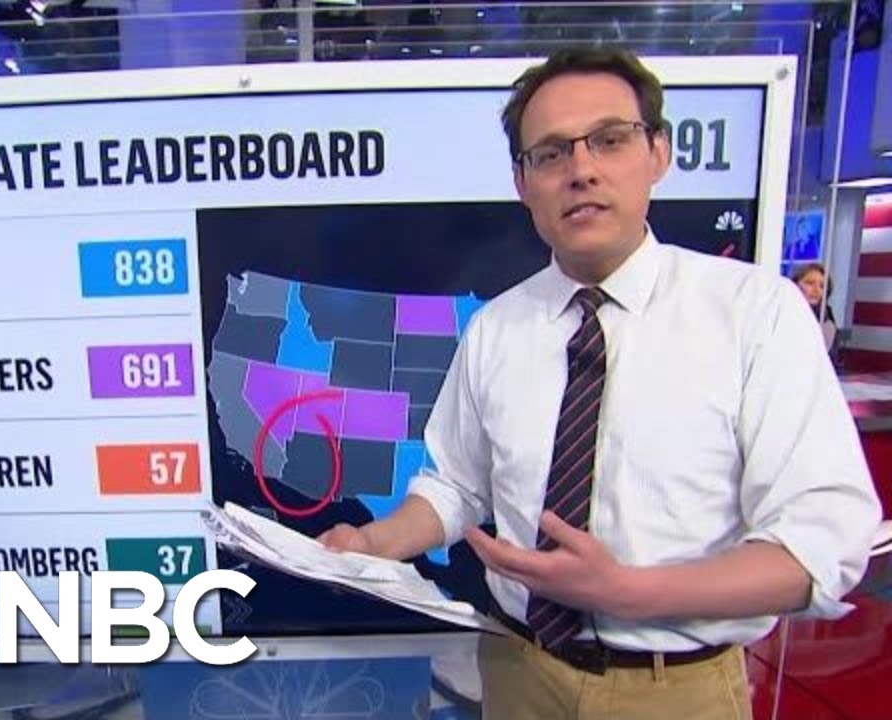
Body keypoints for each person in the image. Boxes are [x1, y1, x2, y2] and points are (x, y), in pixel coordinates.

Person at [319, 47, 880, 719]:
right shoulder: (497, 328)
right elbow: (458, 486)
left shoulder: (755, 314)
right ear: (523, 182)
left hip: (675, 690)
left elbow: (822, 547)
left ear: (658, 153)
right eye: (551, 154)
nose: (581, 170)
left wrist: (628, 592)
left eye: (610, 140)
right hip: (517, 670)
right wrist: (372, 545)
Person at [792, 262, 839, 357]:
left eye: (822, 286)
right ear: (795, 285)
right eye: (810, 283)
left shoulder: (826, 321)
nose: (817, 290)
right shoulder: (784, 313)